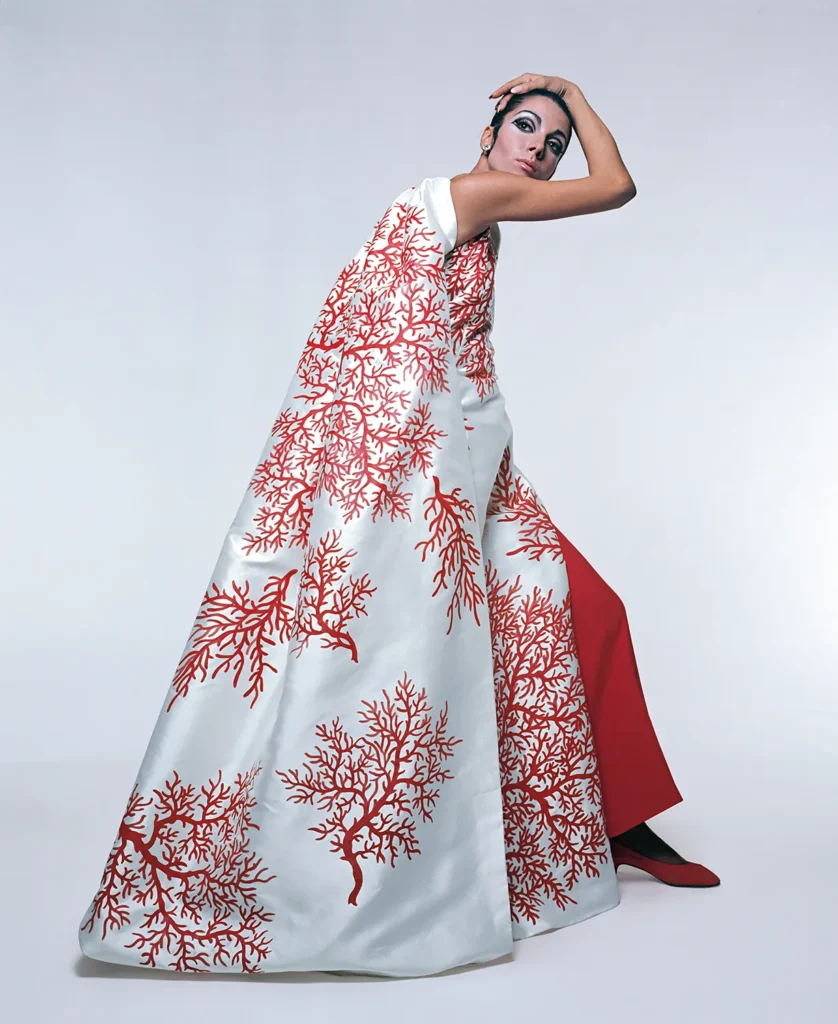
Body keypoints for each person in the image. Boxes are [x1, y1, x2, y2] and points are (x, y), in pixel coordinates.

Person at [77, 71, 718, 979]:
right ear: (490, 128)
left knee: (583, 608)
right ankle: (458, 858)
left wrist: (566, 101)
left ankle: (603, 819)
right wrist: (576, 90)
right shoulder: (467, 194)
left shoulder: (478, 219)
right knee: (453, 642)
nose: (539, 149)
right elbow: (616, 188)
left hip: (471, 463)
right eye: (528, 128)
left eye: (554, 143)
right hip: (427, 471)